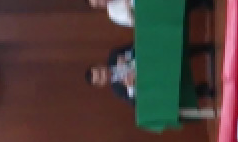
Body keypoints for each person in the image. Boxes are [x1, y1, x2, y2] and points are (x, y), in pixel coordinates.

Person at [85, 43, 215, 105]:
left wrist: (126, 56)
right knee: (163, 95)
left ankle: (203, 49)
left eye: (100, 71)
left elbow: (136, 45)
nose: (104, 74)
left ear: (100, 65)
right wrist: (130, 86)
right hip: (148, 81)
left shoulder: (114, 55)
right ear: (101, 84)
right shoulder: (117, 90)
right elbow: (134, 102)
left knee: (169, 52)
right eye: (100, 78)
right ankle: (201, 91)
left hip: (148, 60)